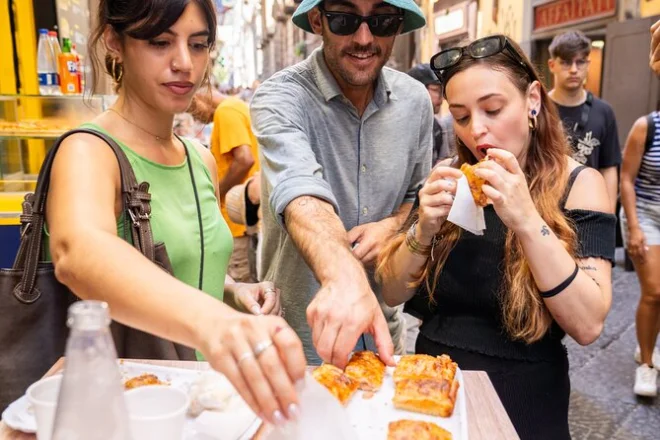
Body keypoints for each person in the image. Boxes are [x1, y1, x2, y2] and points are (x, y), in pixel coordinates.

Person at [47, 0, 304, 426]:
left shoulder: (199, 159)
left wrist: (233, 291)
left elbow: (184, 265)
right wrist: (216, 322)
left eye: (198, 44)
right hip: (135, 405)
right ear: (114, 41)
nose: (185, 62)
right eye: (159, 42)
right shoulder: (88, 151)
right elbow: (79, 251)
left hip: (212, 400)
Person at [377, 35, 615, 439]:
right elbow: (392, 291)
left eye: (492, 109)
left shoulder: (579, 184)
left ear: (532, 100)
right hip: (432, 391)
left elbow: (588, 323)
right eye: (461, 116)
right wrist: (423, 229)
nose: (476, 131)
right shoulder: (451, 178)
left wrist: (526, 219)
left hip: (524, 399)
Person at [250, 0, 431, 367]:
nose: (364, 38)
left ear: (398, 26)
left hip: (383, 343)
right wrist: (345, 277)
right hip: (296, 348)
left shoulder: (416, 102)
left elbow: (417, 201)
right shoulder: (280, 97)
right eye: (345, 20)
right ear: (318, 21)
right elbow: (301, 194)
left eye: (382, 21)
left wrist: (392, 226)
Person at [547, 30, 621, 213]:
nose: (574, 69)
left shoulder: (604, 111)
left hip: (589, 209)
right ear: (552, 65)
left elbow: (608, 168)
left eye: (580, 62)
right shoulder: (538, 108)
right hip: (546, 206)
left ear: (588, 64)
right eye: (566, 62)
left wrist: (609, 215)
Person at [620, 111, 660, 397]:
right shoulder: (647, 127)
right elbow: (626, 179)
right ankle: (646, 364)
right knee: (654, 291)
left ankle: (648, 344)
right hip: (644, 216)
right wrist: (634, 228)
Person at [210, 95, 261, 283]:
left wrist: (215, 194)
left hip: (236, 219)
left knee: (239, 285)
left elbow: (244, 159)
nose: (196, 117)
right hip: (246, 215)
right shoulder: (238, 106)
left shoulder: (226, 111)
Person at [407, 63, 455, 164]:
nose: (442, 98)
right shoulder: (397, 126)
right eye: (436, 90)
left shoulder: (438, 128)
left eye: (443, 92)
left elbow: (443, 162)